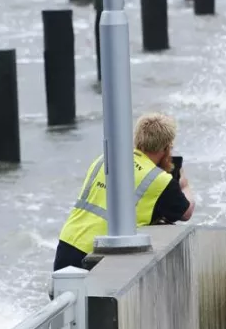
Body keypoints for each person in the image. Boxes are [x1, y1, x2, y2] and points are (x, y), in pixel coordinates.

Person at [53, 113, 195, 273]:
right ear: (166, 147)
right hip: (102, 252)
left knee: (64, 289)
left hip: (69, 242)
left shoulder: (104, 159)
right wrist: (184, 184)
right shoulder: (160, 179)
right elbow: (186, 212)